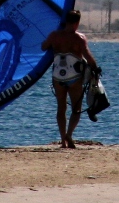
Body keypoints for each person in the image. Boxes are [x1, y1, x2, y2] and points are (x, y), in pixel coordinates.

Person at [42, 10, 99, 149]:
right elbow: (88, 56)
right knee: (76, 108)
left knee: (61, 108)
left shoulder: (54, 36)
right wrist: (95, 69)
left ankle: (62, 141)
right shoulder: (79, 38)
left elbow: (43, 47)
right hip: (74, 77)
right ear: (76, 23)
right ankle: (69, 134)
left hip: (58, 76)